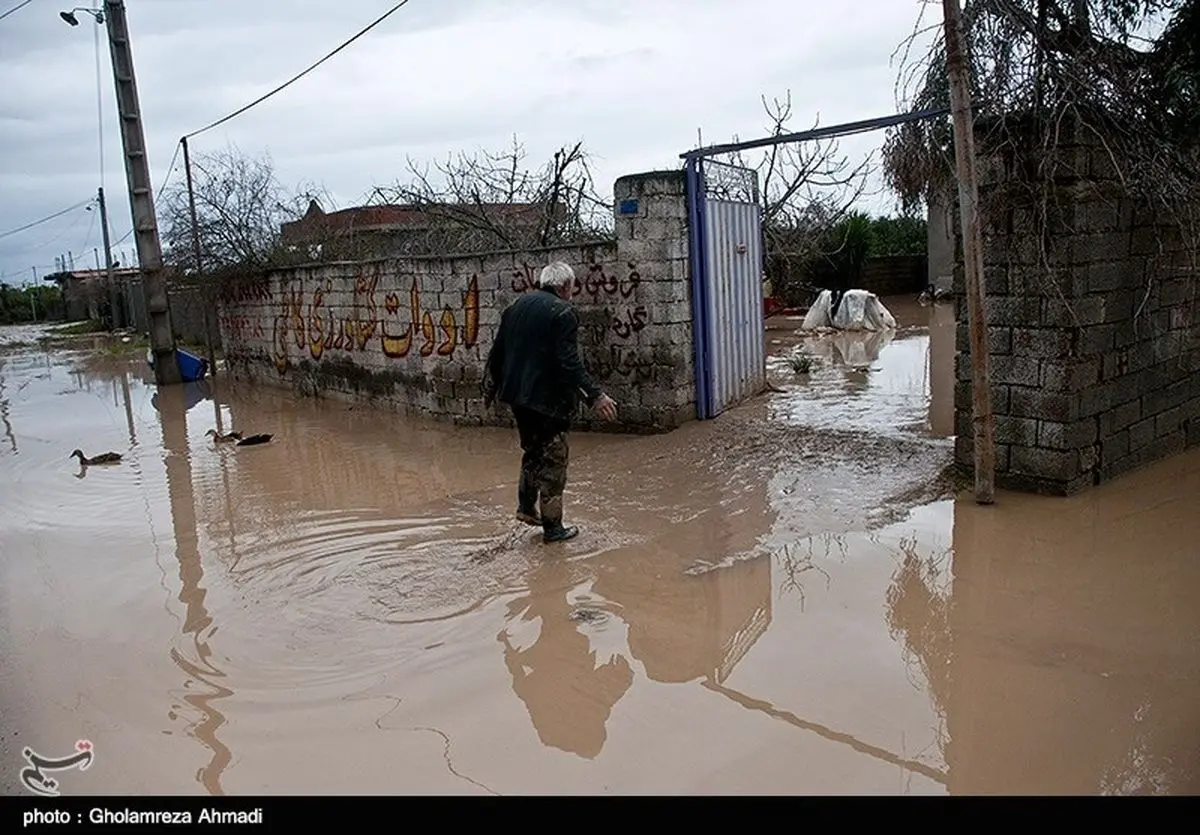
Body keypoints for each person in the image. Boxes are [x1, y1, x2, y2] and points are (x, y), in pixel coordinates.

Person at [483, 261, 618, 543]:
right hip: (547, 401)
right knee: (554, 459)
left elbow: (497, 353)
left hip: (518, 397)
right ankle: (553, 528)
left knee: (532, 449)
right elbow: (569, 363)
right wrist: (596, 395)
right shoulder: (563, 312)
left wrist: (490, 388)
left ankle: (525, 507)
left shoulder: (515, 308)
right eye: (572, 287)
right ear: (565, 286)